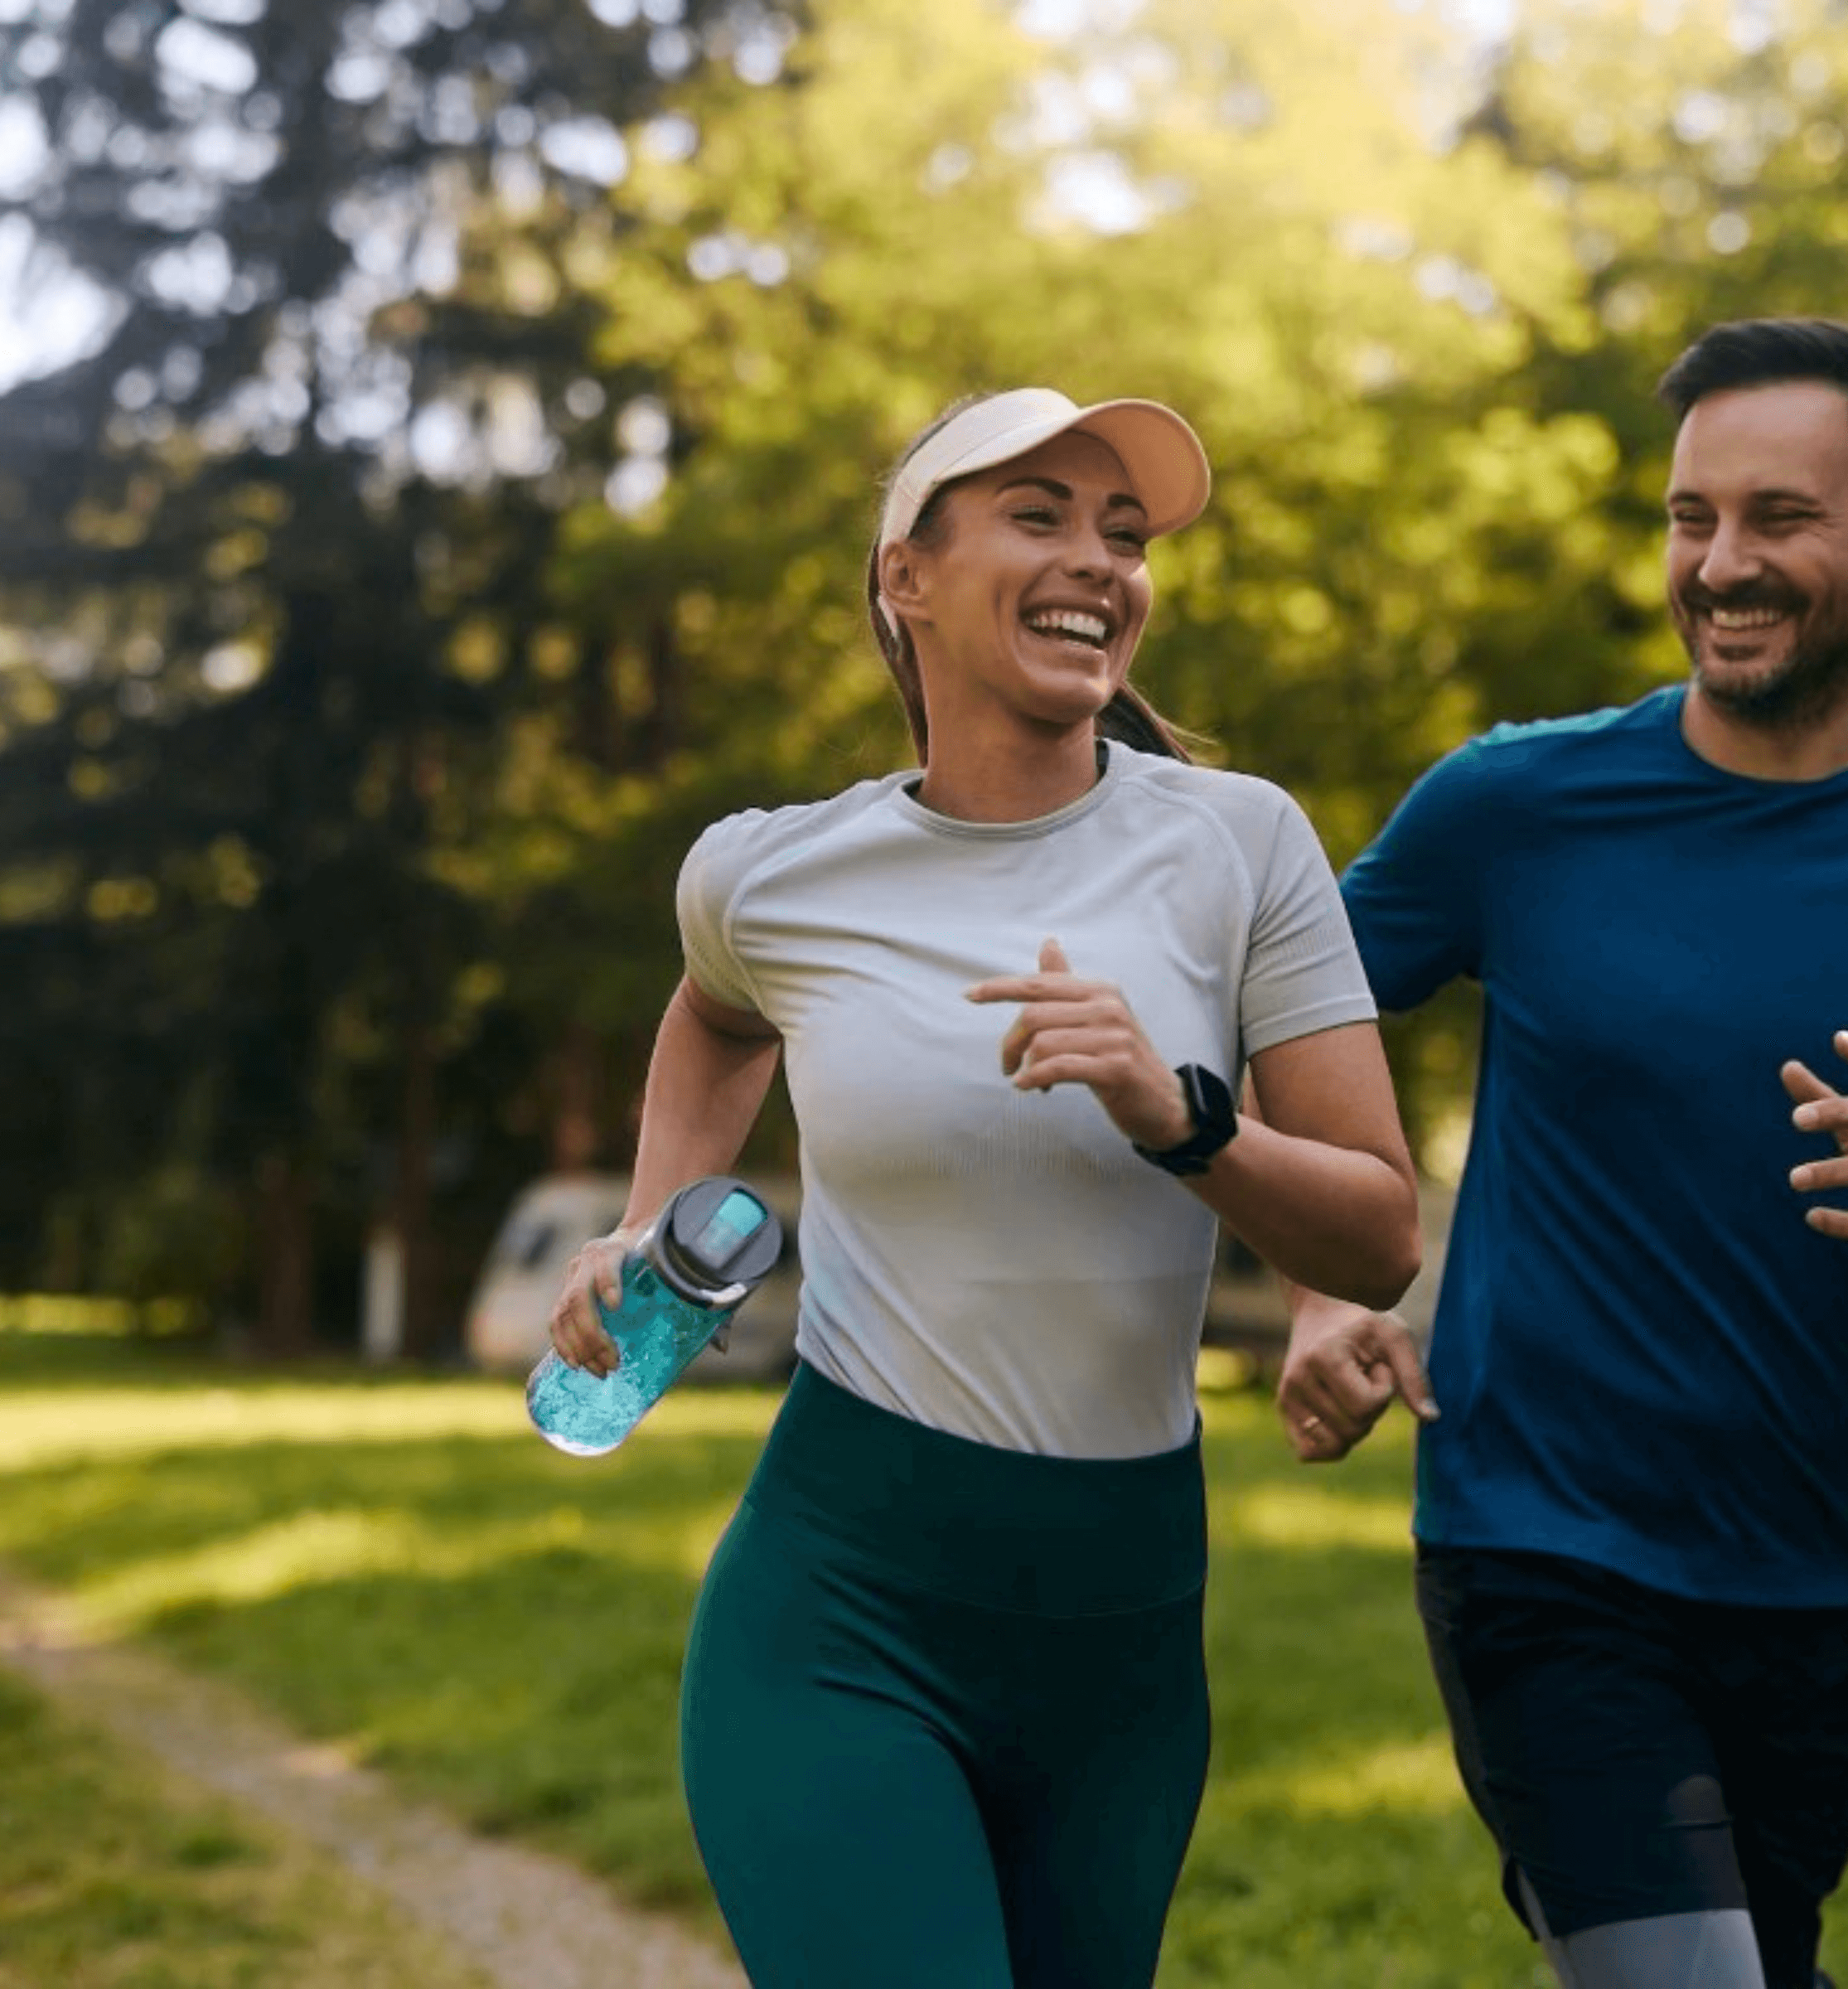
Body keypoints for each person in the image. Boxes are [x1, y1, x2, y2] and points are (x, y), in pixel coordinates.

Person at [1275, 318, 1848, 1989]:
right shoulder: (1514, 806)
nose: (1720, 564)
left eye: (1780, 517)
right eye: (1691, 519)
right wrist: (1330, 1282)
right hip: (1540, 1550)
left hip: (1827, 1584)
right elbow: (1281, 1016)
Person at [545, 386, 1420, 1989]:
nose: (1099, 560)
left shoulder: (1242, 846)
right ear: (909, 578)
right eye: (1040, 515)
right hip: (842, 1609)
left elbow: (1376, 1232)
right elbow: (716, 1015)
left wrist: (1182, 1118)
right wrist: (647, 1217)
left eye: (1125, 535)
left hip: (1122, 1643)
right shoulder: (770, 873)